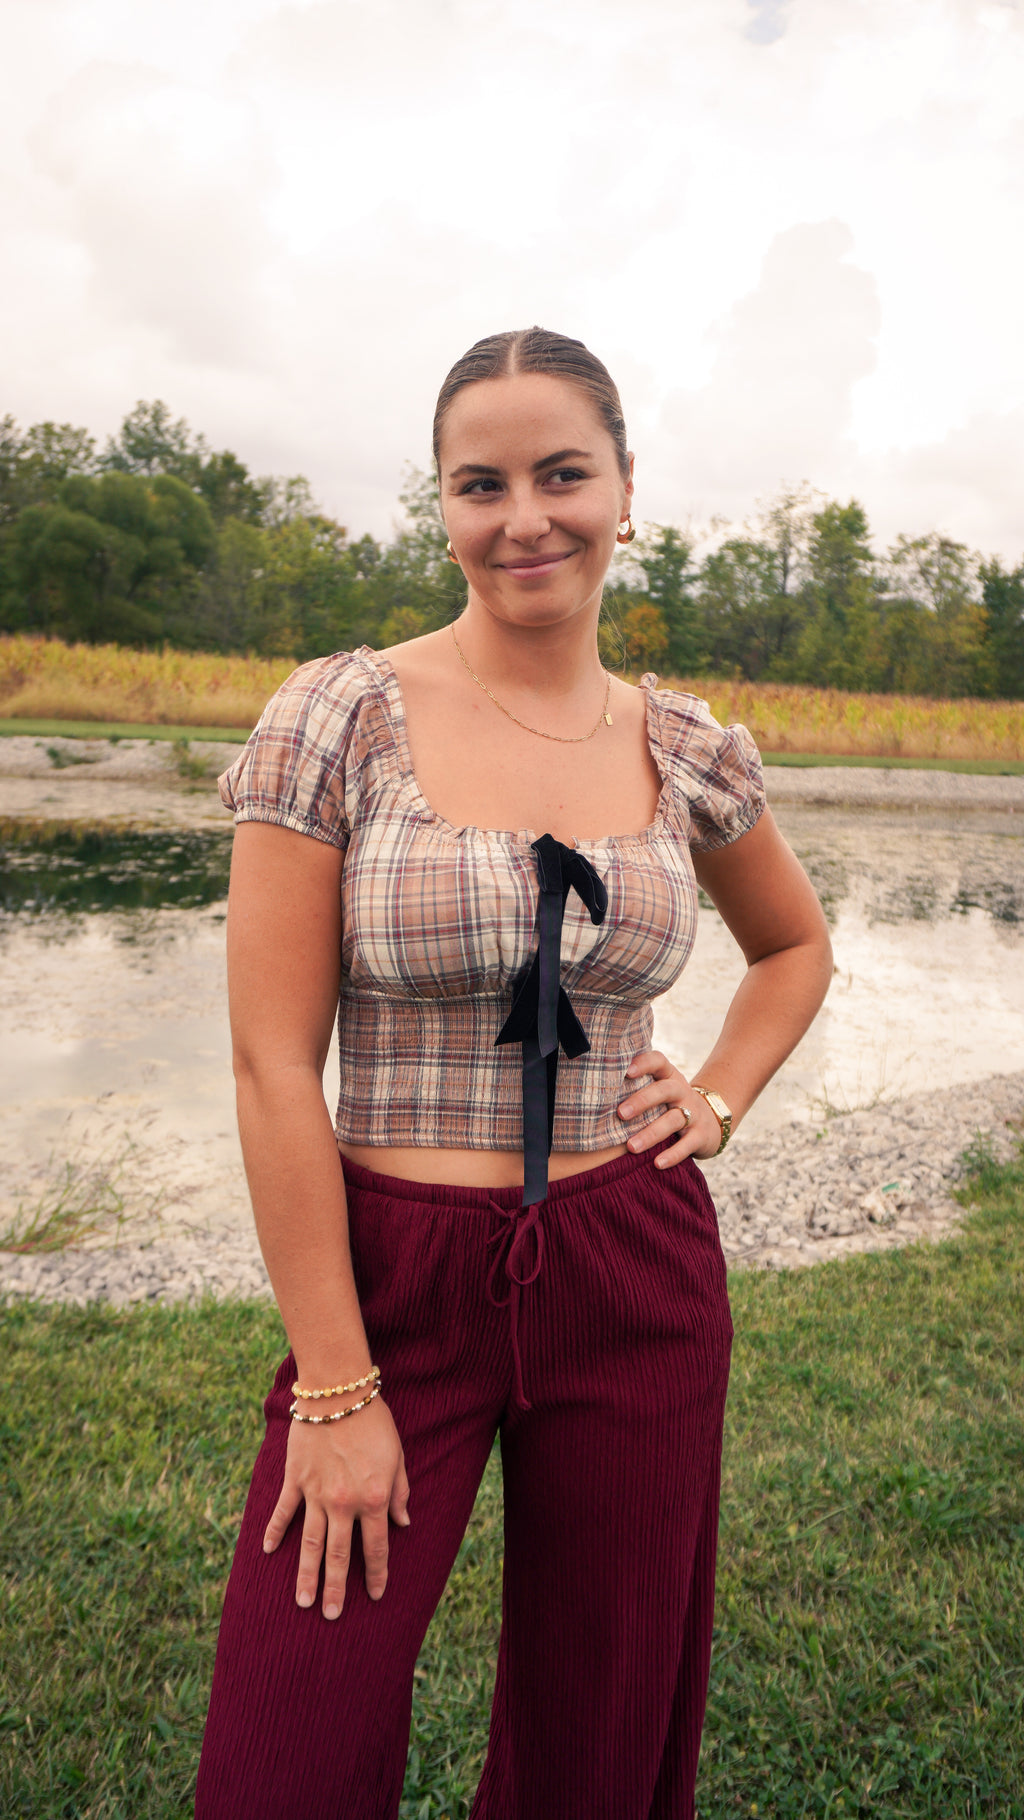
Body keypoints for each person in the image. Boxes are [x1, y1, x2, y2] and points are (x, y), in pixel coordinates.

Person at [195, 327, 832, 1820]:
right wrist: (338, 1388)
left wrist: (720, 1095)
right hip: (398, 1276)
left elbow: (794, 948)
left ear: (625, 489)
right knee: (287, 1751)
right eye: (481, 483)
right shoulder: (340, 717)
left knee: (598, 1741)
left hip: (633, 1270)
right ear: (441, 506)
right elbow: (272, 1064)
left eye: (563, 473)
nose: (524, 516)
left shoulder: (687, 748)